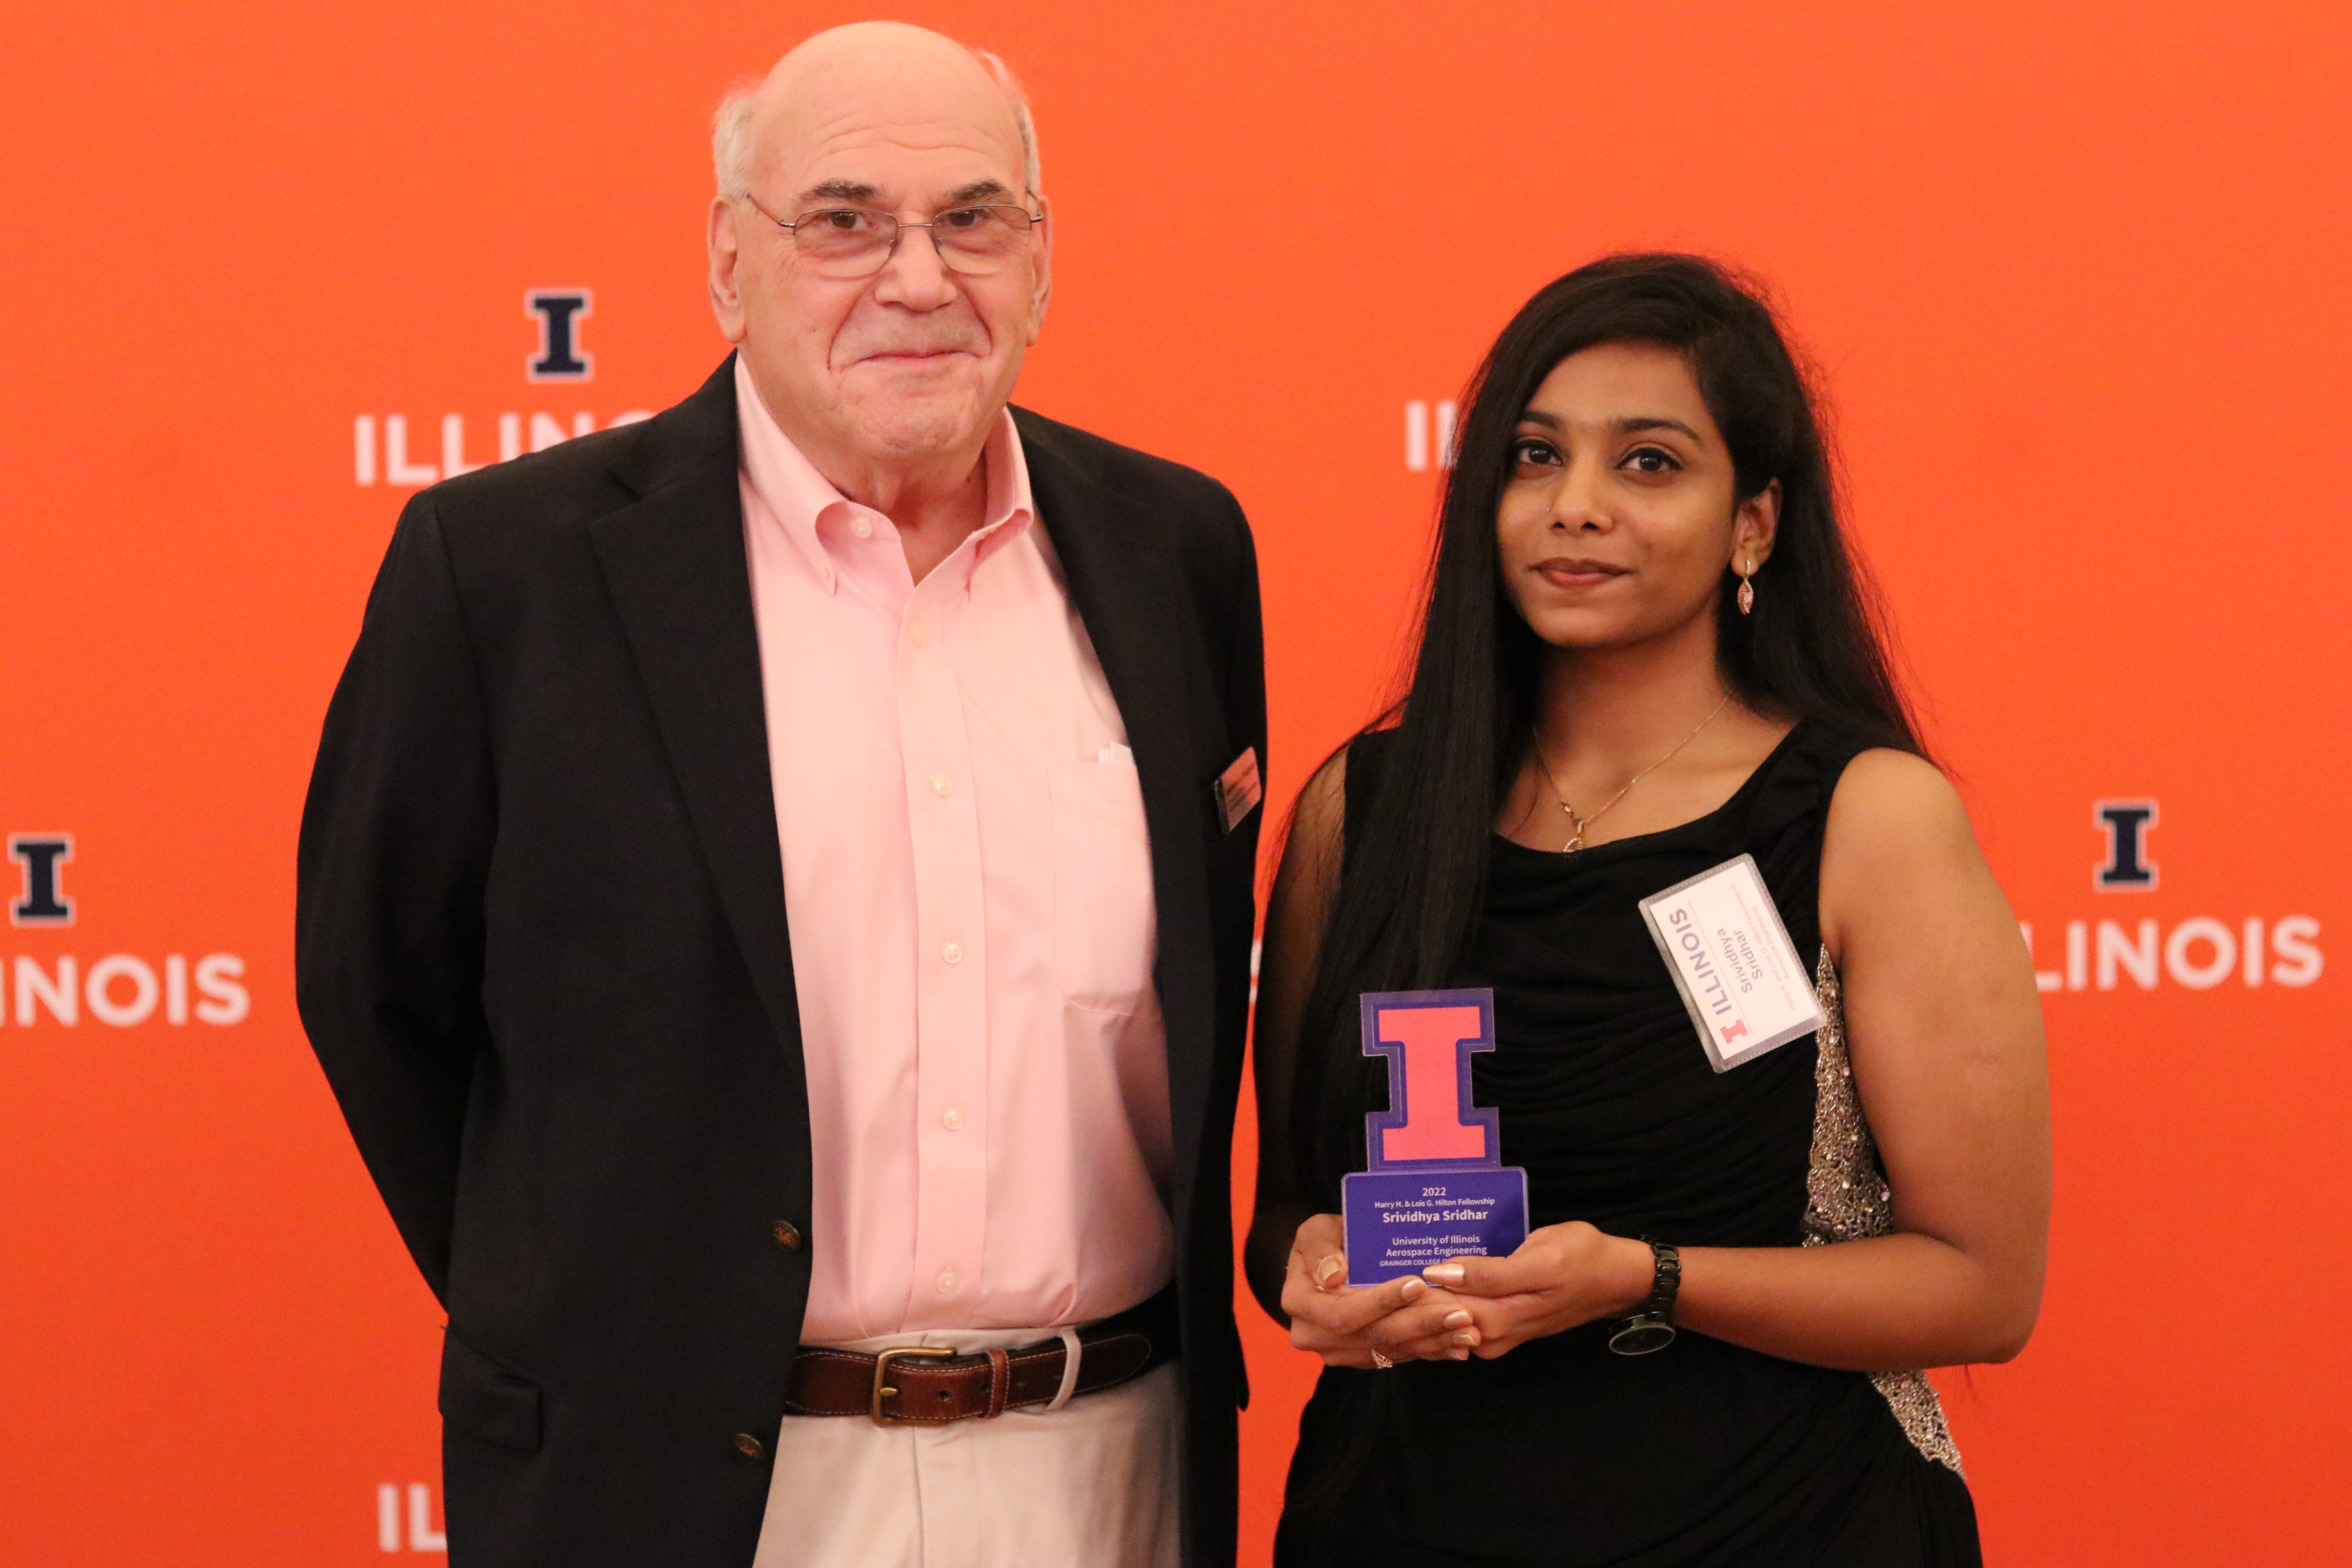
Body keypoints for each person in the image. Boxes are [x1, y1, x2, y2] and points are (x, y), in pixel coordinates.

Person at [298, 24, 1264, 1568]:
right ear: (727, 260)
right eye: (842, 219)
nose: (918, 278)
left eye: (974, 217)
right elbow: (377, 996)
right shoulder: (504, 573)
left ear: (1043, 253)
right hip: (693, 1485)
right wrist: (594, 1312)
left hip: (1116, 1473)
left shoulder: (1177, 549)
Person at [1245, 254, 2049, 1566]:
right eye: (1532, 457)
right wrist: (1316, 1269)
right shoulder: (1368, 806)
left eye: (1650, 464)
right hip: (1398, 1517)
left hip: (1778, 1518)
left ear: (1756, 525)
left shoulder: (1866, 817)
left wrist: (1645, 1276)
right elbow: (1287, 1207)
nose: (1574, 508)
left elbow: (1981, 1285)